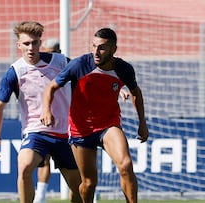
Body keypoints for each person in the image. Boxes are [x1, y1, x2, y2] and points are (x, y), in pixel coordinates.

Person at [40, 28, 149, 203]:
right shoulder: (80, 65)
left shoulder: (124, 69)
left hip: (108, 125)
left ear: (114, 49)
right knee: (89, 184)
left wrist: (142, 123)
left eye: (102, 48)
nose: (96, 52)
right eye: (94, 46)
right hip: (80, 129)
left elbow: (136, 92)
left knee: (126, 165)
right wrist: (46, 109)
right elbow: (51, 87)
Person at [0, 21, 82, 203]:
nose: (30, 48)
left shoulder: (61, 61)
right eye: (26, 44)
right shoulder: (15, 72)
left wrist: (119, 89)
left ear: (40, 43)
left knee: (80, 190)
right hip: (36, 132)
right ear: (19, 45)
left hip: (66, 134)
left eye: (34, 43)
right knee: (24, 167)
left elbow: (87, 76)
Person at [33, 37, 62, 203]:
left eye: (52, 53)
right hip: (44, 119)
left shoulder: (66, 66)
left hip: (66, 120)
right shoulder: (37, 69)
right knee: (43, 158)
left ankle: (89, 193)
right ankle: (41, 196)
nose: (48, 57)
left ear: (58, 52)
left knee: (76, 161)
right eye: (46, 53)